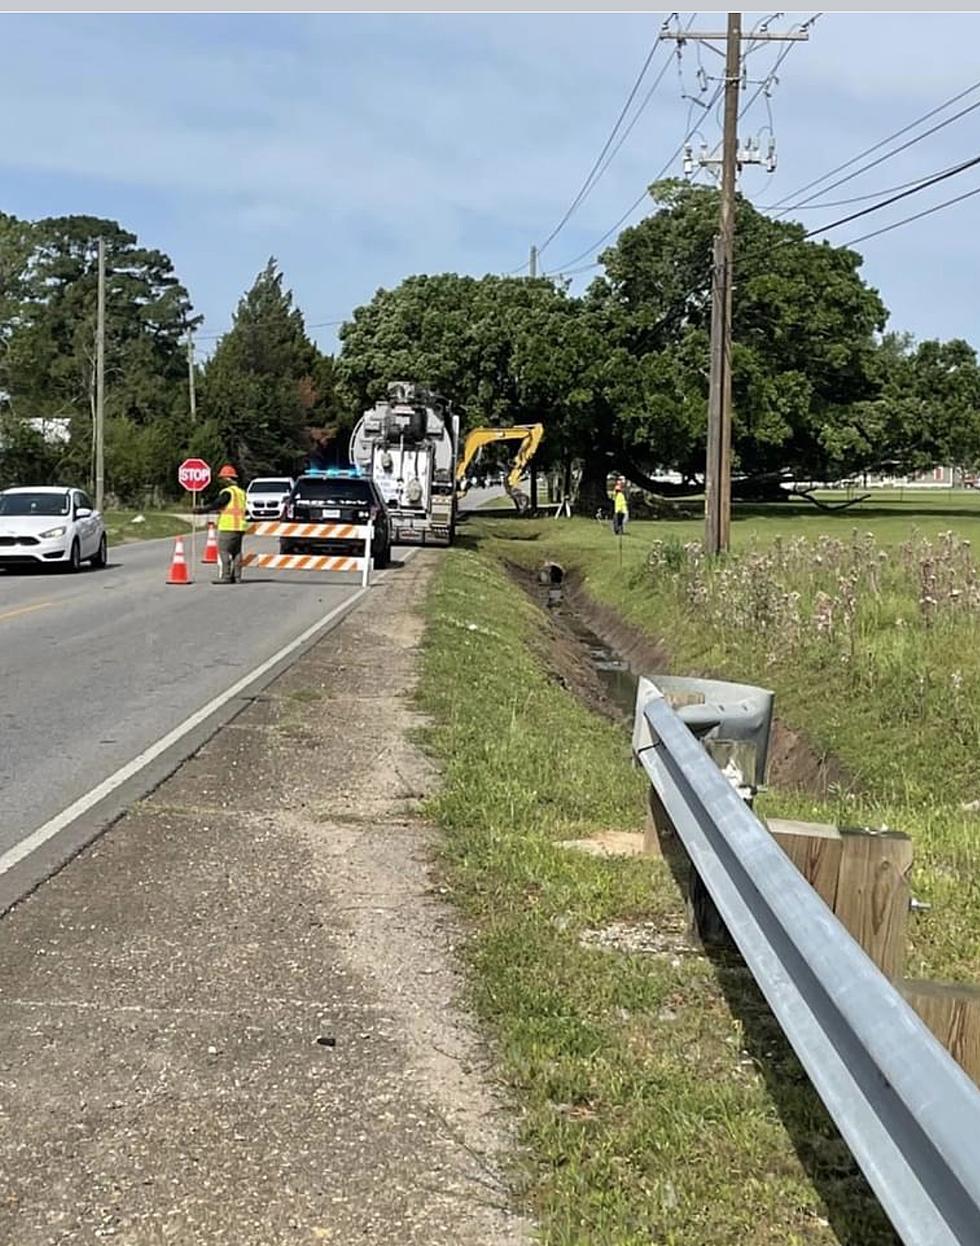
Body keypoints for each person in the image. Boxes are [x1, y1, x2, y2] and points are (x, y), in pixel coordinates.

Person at [211, 464, 248, 584]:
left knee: (224, 551)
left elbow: (217, 504)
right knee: (236, 552)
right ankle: (237, 577)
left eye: (222, 478)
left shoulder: (227, 492)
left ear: (227, 479)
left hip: (228, 526)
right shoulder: (241, 492)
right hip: (240, 527)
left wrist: (201, 510)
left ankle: (226, 576)